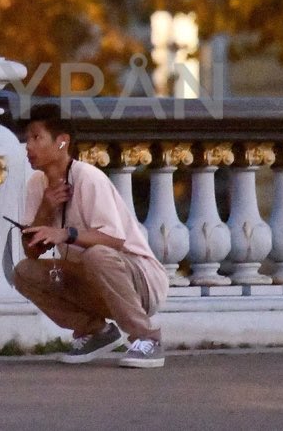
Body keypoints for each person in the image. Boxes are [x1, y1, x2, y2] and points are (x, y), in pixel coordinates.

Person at [12, 104, 168, 368]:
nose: (28, 146)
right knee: (24, 271)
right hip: (94, 280)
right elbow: (32, 253)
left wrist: (64, 234)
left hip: (140, 282)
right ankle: (96, 332)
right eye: (27, 138)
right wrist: (46, 210)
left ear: (62, 143)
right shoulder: (37, 184)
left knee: (97, 255)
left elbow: (115, 240)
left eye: (36, 137)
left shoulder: (88, 177)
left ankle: (147, 338)